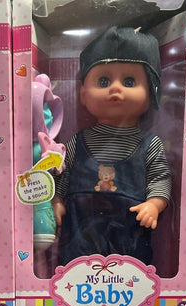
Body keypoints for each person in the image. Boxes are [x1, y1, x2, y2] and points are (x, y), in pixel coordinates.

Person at [52, 27, 172, 266]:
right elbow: (64, 173)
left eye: (129, 81)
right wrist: (56, 199)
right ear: (83, 95)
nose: (115, 88)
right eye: (104, 81)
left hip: (129, 232)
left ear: (151, 93)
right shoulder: (77, 141)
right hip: (80, 229)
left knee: (130, 272)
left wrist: (154, 204)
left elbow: (160, 178)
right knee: (76, 270)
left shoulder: (150, 144)